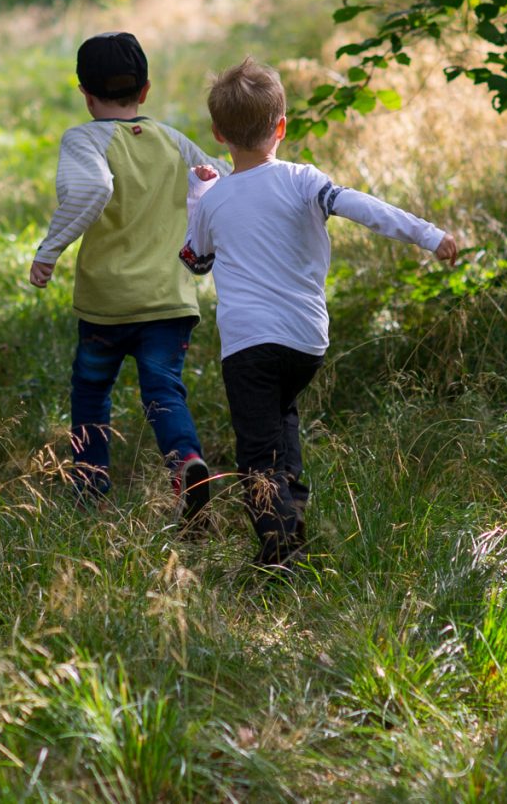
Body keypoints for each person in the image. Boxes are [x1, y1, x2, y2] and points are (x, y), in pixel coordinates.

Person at [180, 58, 459, 573]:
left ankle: (279, 551)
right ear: (281, 127)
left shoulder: (214, 198)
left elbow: (196, 262)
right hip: (306, 342)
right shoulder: (305, 181)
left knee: (257, 452)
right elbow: (363, 206)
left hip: (247, 345)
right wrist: (429, 235)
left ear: (219, 134)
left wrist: (199, 195)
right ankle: (295, 513)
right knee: (281, 420)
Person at [28, 32, 225, 524]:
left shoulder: (84, 138)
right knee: (163, 390)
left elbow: (91, 187)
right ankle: (185, 462)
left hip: (107, 301)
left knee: (92, 390)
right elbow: (218, 176)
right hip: (169, 299)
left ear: (84, 93)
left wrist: (50, 250)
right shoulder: (173, 140)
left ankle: (90, 486)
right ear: (146, 89)